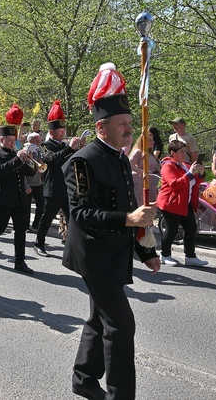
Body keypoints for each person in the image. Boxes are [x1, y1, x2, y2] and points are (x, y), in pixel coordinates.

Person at [63, 63, 159, 400]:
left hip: (114, 252)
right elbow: (84, 213)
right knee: (121, 325)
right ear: (102, 127)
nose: (130, 130)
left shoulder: (119, 157)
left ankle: (83, 378)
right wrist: (130, 220)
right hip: (93, 254)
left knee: (99, 318)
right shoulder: (81, 161)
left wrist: (146, 249)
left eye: (130, 124)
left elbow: (131, 203)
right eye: (124, 125)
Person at [0, 104, 37, 274]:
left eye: (13, 140)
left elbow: (31, 173)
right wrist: (18, 160)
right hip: (2, 199)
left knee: (20, 231)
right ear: (1, 140)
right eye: (9, 141)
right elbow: (0, 171)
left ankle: (20, 261)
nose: (12, 143)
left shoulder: (17, 154)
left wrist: (30, 161)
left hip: (19, 199)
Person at [34, 100, 84, 256]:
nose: (63, 132)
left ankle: (75, 245)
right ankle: (39, 243)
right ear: (52, 132)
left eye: (63, 130)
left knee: (73, 218)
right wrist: (70, 148)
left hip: (67, 188)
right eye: (60, 130)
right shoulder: (44, 145)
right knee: (47, 218)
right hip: (53, 188)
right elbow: (51, 159)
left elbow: (72, 161)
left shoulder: (64, 146)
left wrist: (79, 149)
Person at [156, 140, 209, 267]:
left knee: (191, 228)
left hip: (185, 203)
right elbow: (175, 184)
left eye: (185, 151)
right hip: (171, 203)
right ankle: (165, 255)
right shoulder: (168, 166)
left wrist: (201, 172)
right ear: (172, 153)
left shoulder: (185, 164)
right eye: (181, 152)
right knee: (171, 230)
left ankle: (190, 256)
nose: (184, 154)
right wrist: (190, 173)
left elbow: (195, 181)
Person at [129, 130, 160, 207]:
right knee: (142, 203)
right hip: (141, 183)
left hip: (152, 182)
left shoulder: (150, 153)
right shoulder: (138, 152)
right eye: (149, 140)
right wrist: (143, 172)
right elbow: (130, 165)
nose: (152, 142)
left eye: (152, 140)